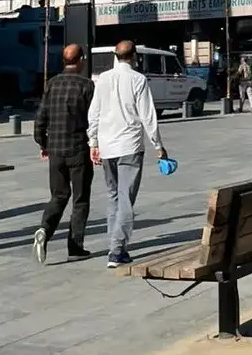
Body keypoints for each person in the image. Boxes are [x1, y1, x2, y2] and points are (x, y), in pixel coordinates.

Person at [88, 41, 167, 268]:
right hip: (130, 145)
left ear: (115, 55)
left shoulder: (102, 79)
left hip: (107, 145)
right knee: (125, 198)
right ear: (134, 56)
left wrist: (93, 141)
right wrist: (158, 146)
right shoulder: (138, 80)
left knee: (113, 195)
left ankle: (116, 246)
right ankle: (116, 250)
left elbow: (94, 112)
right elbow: (148, 116)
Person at [32, 43, 95, 264]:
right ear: (80, 60)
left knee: (58, 196)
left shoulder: (51, 84)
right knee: (80, 199)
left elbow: (40, 118)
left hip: (56, 151)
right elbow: (93, 119)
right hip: (78, 149)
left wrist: (43, 144)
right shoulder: (87, 86)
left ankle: (44, 230)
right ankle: (75, 246)